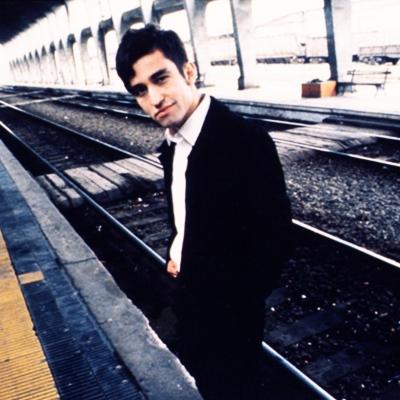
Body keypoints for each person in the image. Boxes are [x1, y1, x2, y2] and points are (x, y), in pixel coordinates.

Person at [116, 24, 293, 399]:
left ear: (189, 71)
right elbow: (188, 214)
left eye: (160, 78)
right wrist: (177, 252)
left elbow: (275, 240)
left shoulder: (245, 141)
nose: (154, 98)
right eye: (140, 91)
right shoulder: (172, 144)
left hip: (230, 315)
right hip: (190, 301)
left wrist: (233, 303)